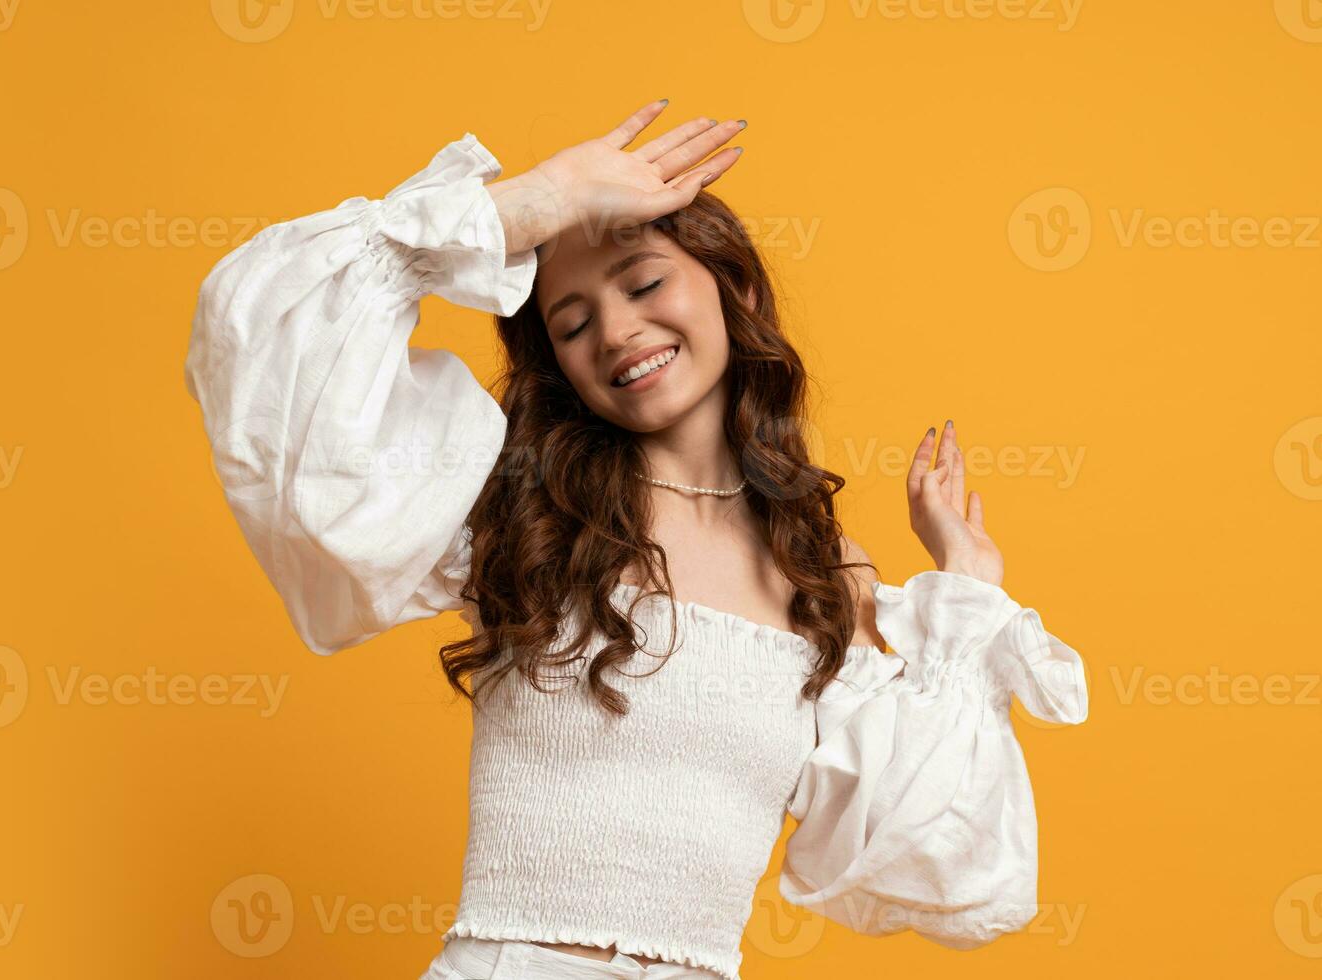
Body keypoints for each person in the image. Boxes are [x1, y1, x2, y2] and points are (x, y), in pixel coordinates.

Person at [183, 98, 1090, 980]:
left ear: (730, 285)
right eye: (570, 324)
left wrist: (969, 592)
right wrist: (529, 205)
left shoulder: (821, 570)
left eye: (645, 283)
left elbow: (939, 862)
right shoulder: (520, 504)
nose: (616, 332)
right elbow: (263, 341)